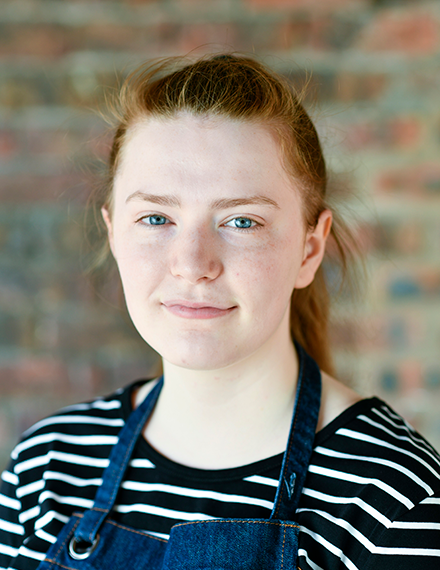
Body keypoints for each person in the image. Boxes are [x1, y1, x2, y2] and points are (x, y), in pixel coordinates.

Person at [0, 54, 439, 570]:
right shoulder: (48, 468)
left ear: (309, 249)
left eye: (242, 222)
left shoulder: (395, 498)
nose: (192, 264)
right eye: (156, 218)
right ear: (113, 233)